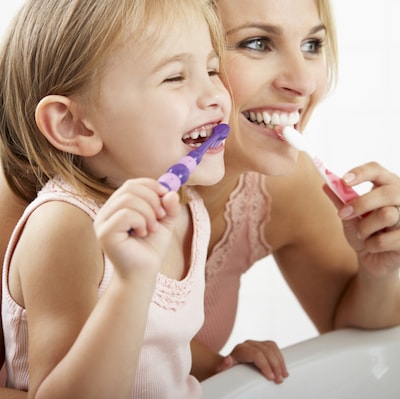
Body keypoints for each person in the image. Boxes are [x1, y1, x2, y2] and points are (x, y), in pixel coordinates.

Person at [0, 0, 237, 397]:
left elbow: (155, 345)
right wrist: (131, 282)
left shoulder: (186, 206)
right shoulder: (66, 228)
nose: (216, 94)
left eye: (212, 69)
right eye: (175, 77)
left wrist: (223, 364)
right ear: (73, 124)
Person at [190, 0, 400, 383]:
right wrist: (216, 368)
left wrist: (380, 272)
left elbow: (351, 329)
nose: (303, 84)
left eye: (312, 45)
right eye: (256, 43)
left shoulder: (280, 187)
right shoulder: (82, 202)